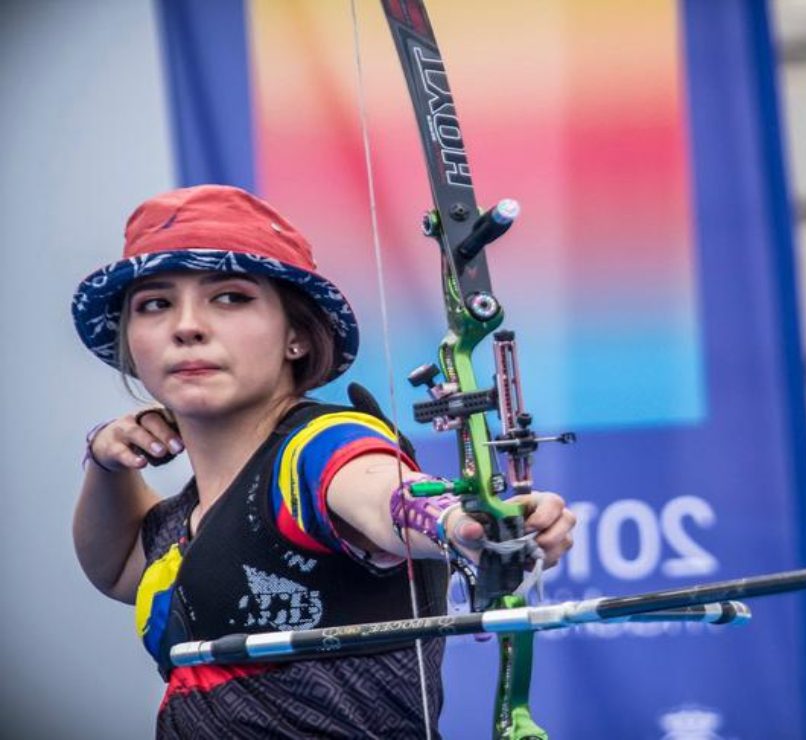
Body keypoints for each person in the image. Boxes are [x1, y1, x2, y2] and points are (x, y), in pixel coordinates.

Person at [70, 184, 576, 738]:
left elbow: (383, 493)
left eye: (231, 297)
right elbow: (118, 568)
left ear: (296, 337)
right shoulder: (191, 511)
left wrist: (472, 528)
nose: (186, 326)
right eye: (155, 304)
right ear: (131, 341)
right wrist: (106, 461)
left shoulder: (321, 446)